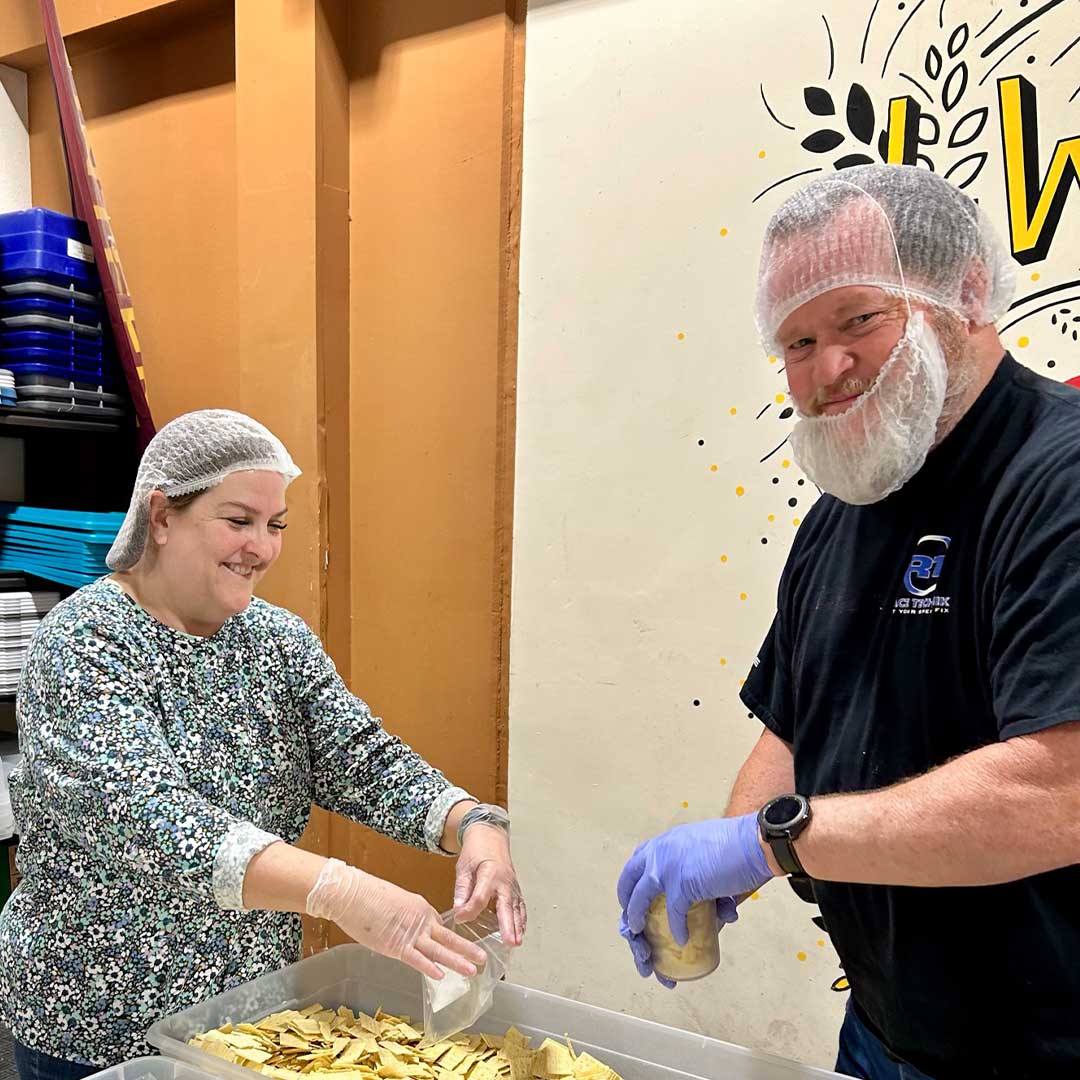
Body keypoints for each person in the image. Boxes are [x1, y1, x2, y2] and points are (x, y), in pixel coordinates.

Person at [617, 165, 1080, 1079]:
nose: (826, 370)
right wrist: (724, 863)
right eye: (795, 342)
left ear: (968, 291)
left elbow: (1059, 795)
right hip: (882, 1031)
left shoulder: (1057, 478)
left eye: (859, 320)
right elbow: (795, 721)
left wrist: (773, 839)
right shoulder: (845, 509)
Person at [0, 410, 526, 1078]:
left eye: (275, 524)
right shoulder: (84, 643)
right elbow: (147, 817)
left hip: (247, 1022)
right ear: (161, 516)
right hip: (101, 1023)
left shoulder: (275, 640)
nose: (262, 546)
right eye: (238, 519)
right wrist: (338, 890)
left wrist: (472, 821)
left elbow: (360, 757)